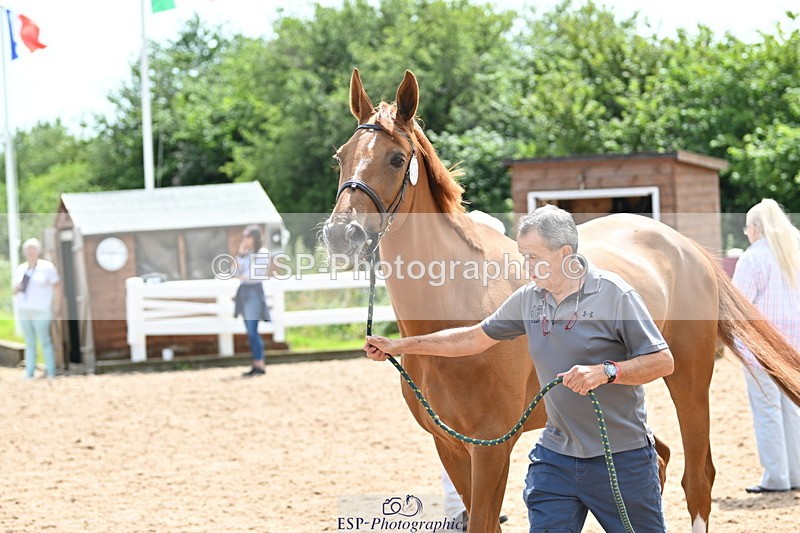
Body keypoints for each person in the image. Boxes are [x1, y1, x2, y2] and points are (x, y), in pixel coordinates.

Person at [365, 205, 673, 532]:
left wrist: (606, 372)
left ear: (564, 253)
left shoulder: (615, 294)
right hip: (557, 457)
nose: (525, 266)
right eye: (523, 256)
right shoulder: (529, 298)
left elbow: (662, 361)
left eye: (533, 257)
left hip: (620, 456)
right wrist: (401, 346)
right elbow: (472, 338)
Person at [732, 198, 800, 494]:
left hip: (762, 350)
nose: (747, 232)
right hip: (793, 348)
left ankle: (776, 477)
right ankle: (795, 473)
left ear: (756, 227)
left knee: (768, 412)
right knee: (791, 411)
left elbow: (736, 308)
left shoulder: (753, 258)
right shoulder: (793, 252)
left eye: (747, 227)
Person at [12, 238, 61, 379]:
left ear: (38, 251)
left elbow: (57, 286)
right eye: (28, 250)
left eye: (33, 249)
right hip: (24, 309)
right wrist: (18, 287)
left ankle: (50, 371)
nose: (30, 252)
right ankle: (29, 372)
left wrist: (57, 306)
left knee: (44, 340)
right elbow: (14, 291)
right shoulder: (21, 269)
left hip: (41, 310)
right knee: (29, 342)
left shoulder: (47, 267)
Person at [233, 225, 271, 377]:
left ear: (254, 238)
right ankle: (256, 363)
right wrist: (241, 254)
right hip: (244, 291)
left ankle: (259, 363)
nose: (244, 240)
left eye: (247, 237)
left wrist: (240, 275)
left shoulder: (262, 253)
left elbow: (251, 275)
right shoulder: (248, 254)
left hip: (253, 291)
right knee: (250, 331)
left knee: (252, 331)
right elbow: (235, 270)